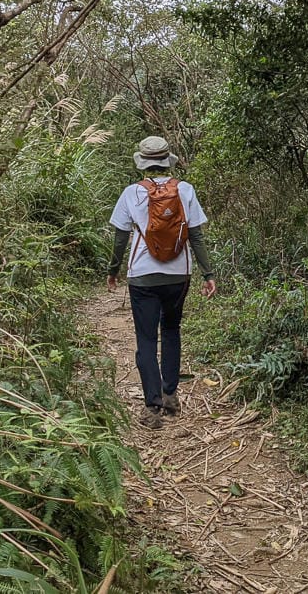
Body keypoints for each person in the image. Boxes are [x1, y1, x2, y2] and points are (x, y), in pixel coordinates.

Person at [107, 135, 216, 430]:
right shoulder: (185, 190)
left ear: (142, 163)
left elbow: (120, 238)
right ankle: (170, 396)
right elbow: (196, 236)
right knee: (171, 330)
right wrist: (208, 274)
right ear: (168, 160)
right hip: (178, 274)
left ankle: (152, 407)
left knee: (145, 338)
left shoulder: (131, 193)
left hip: (142, 276)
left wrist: (112, 271)